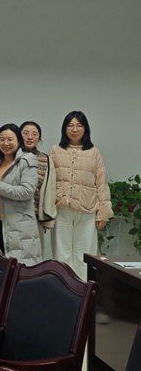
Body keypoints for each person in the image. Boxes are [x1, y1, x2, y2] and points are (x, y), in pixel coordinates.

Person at [49, 111, 113, 280]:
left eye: (79, 125)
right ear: (64, 129)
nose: (75, 129)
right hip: (61, 209)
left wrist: (103, 213)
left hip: (87, 210)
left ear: (86, 129)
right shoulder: (55, 151)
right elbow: (48, 183)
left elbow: (101, 184)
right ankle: (62, 288)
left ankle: (84, 289)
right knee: (61, 253)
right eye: (70, 125)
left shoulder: (94, 152)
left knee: (85, 254)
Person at [0, 124, 41, 265]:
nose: (5, 143)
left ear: (19, 141)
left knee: (17, 269)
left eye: (10, 139)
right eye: (1, 139)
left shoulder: (27, 161)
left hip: (18, 226)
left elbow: (27, 191)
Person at [20, 120, 57, 258]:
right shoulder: (12, 156)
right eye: (25, 133)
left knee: (34, 255)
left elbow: (49, 190)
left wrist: (47, 219)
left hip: (35, 215)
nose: (30, 137)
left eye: (34, 134)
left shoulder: (45, 159)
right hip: (13, 213)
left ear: (39, 137)